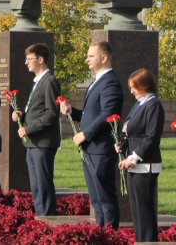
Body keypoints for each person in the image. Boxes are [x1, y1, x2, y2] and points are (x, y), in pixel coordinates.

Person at [59, 41, 124, 229]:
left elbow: (108, 114)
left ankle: (109, 237)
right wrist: (72, 111)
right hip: (91, 149)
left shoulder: (110, 82)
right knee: (96, 200)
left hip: (100, 149)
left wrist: (85, 134)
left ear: (103, 58)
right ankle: (101, 235)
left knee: (106, 200)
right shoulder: (97, 81)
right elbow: (92, 114)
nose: (86, 59)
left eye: (91, 56)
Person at [11, 44, 61, 216]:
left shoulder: (50, 81)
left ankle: (48, 220)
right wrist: (22, 115)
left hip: (43, 142)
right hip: (33, 143)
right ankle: (41, 219)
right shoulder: (38, 81)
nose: (26, 63)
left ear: (40, 59)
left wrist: (28, 129)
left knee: (43, 186)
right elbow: (39, 110)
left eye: (29, 59)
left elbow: (51, 114)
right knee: (36, 187)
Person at [115, 69, 164, 242]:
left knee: (144, 209)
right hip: (133, 163)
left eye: (134, 87)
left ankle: (148, 241)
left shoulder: (153, 105)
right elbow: (132, 132)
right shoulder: (139, 104)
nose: (132, 91)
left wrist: (133, 158)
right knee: (136, 211)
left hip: (144, 164)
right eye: (130, 87)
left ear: (145, 85)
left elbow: (152, 138)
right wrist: (122, 144)